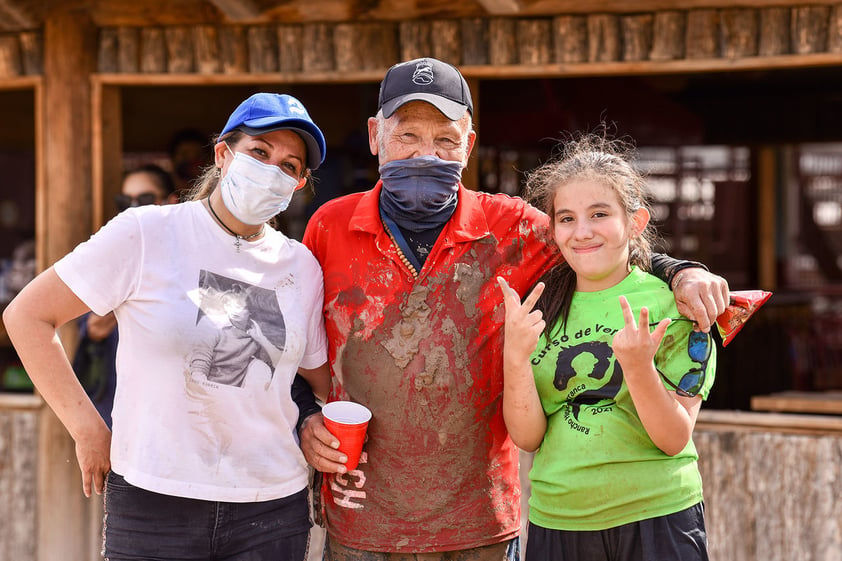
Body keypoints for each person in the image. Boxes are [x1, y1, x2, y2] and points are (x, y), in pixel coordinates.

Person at [298, 57, 729, 561]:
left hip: (480, 524)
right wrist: (305, 416)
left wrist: (680, 270)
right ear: (375, 136)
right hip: (361, 518)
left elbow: (594, 245)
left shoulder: (512, 228)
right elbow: (288, 352)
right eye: (407, 136)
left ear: (469, 144)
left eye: (445, 140)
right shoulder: (329, 227)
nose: (425, 154)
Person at [3, 92, 331, 561]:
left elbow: (318, 377)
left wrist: (322, 419)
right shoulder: (146, 233)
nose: (272, 170)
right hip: (154, 502)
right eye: (260, 152)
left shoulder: (300, 265)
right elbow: (27, 316)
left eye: (290, 165)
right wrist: (87, 429)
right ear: (223, 154)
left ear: (299, 184)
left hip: (271, 509)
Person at [498, 132, 714, 561]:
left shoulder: (679, 304)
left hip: (658, 514)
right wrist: (515, 356)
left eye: (599, 214)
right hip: (559, 519)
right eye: (566, 218)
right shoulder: (539, 304)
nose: (582, 232)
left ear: (635, 222)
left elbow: (673, 437)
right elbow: (527, 437)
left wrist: (638, 367)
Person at [73, 163, 177, 428]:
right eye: (125, 201)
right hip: (115, 407)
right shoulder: (109, 251)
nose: (134, 207)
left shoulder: (187, 255)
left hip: (172, 413)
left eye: (144, 199)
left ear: (170, 201)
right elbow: (91, 329)